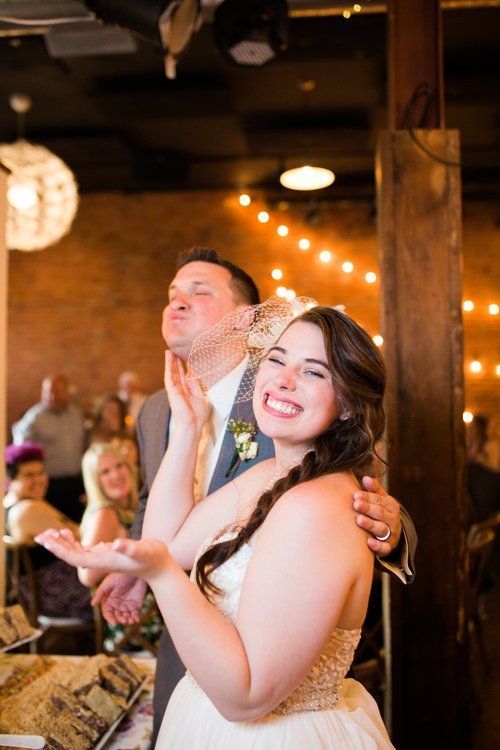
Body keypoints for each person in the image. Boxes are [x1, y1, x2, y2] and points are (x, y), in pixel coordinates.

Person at [91, 248, 416, 741]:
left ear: (244, 319)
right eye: (172, 294)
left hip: (274, 686)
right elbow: (152, 516)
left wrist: (392, 527)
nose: (176, 303)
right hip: (190, 653)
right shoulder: (161, 410)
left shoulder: (285, 403)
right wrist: (138, 566)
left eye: (198, 293)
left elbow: (356, 498)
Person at [79, 442, 161, 651]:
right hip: (132, 615)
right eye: (105, 472)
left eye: (119, 466)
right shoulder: (106, 513)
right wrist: (128, 564)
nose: (115, 475)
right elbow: (86, 574)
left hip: (144, 603)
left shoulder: (130, 508)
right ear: (95, 482)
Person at [4, 442, 92, 621]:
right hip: (56, 596)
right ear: (11, 480)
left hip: (45, 594)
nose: (39, 480)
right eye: (29, 475)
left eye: (41, 472)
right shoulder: (27, 509)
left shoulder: (10, 505)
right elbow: (83, 537)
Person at [12, 375, 86, 522]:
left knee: (76, 524)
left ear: (66, 392)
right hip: (50, 486)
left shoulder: (76, 414)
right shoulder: (34, 418)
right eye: (47, 392)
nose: (52, 396)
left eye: (56, 391)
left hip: (75, 483)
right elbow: (21, 450)